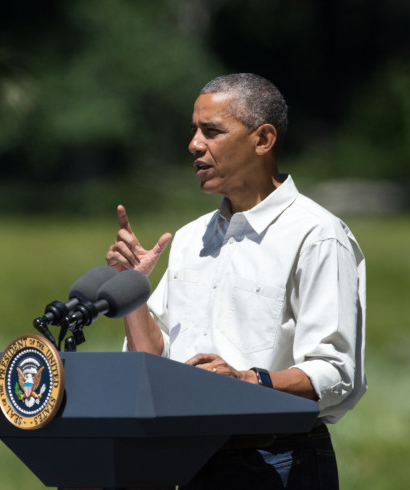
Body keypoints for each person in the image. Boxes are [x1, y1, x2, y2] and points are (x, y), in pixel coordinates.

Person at [105, 73, 366, 489]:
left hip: (277, 459)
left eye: (211, 131)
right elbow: (153, 361)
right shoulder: (191, 237)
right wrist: (135, 293)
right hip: (185, 458)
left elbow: (336, 373)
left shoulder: (317, 234)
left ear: (263, 140)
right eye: (193, 130)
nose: (194, 144)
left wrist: (248, 381)